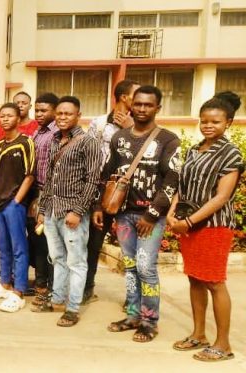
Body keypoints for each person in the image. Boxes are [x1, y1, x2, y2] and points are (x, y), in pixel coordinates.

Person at [101, 85, 181, 343]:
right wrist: (98, 208)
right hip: (124, 215)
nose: (142, 109)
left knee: (146, 268)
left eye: (148, 105)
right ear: (130, 105)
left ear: (158, 108)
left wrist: (152, 214)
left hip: (150, 217)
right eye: (138, 104)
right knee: (131, 266)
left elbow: (173, 180)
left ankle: (149, 321)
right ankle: (133, 315)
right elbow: (108, 174)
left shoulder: (169, 140)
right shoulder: (120, 138)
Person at [168, 93, 243, 362]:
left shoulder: (230, 153)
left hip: (213, 226)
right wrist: (171, 213)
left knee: (214, 282)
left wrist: (189, 221)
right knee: (195, 279)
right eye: (204, 121)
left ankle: (223, 344)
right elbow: (181, 186)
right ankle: (198, 334)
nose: (208, 126)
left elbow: (222, 196)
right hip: (187, 225)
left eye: (215, 121)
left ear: (228, 123)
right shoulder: (193, 149)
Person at [34, 96, 101, 327]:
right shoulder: (54, 140)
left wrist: (78, 211)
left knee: (76, 262)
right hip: (52, 211)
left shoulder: (88, 142)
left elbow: (93, 181)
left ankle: (72, 309)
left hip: (72, 213)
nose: (63, 118)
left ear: (78, 116)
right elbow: (49, 179)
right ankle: (57, 300)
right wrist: (43, 209)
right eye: (60, 114)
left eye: (68, 114)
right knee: (57, 259)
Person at [86, 79, 141, 304]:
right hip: (104, 192)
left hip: (134, 194)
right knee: (93, 244)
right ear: (125, 98)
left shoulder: (141, 126)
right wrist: (94, 197)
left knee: (132, 250)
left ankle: (133, 297)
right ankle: (86, 288)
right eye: (137, 96)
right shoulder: (99, 124)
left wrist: (131, 128)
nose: (142, 102)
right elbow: (90, 157)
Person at [0, 103, 35, 313]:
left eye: (9, 115)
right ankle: (5, 284)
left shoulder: (25, 143)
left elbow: (30, 175)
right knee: (2, 247)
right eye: (2, 116)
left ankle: (19, 291)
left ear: (17, 118)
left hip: (15, 204)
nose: (5, 119)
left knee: (19, 248)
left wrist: (17, 200)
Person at [28, 92, 59, 306]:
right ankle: (40, 283)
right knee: (37, 240)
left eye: (43, 110)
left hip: (49, 194)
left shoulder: (57, 134)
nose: (38, 114)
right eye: (37, 110)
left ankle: (50, 287)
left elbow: (54, 170)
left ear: (55, 111)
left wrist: (43, 202)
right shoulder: (38, 132)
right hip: (34, 192)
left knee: (50, 245)